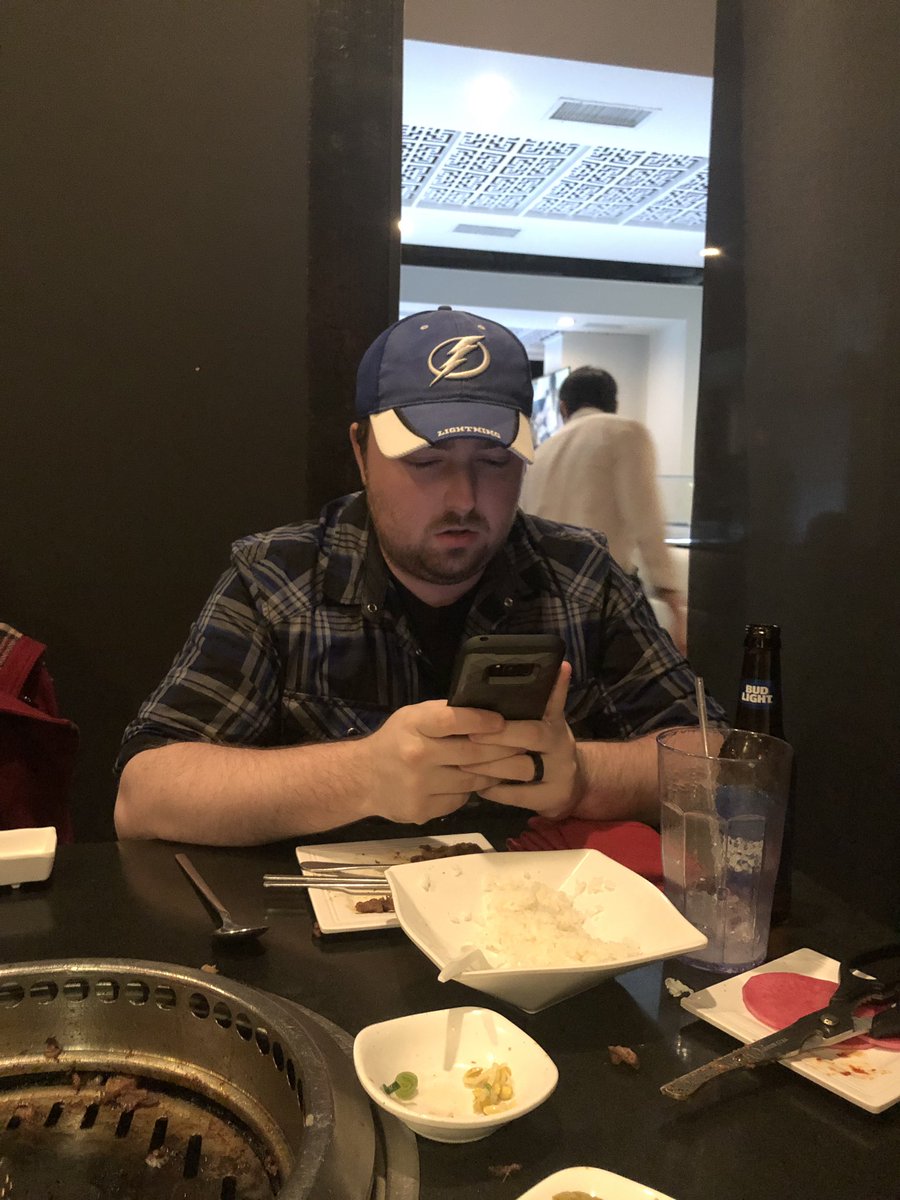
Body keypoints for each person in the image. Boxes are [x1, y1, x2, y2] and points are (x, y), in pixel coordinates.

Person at [114, 308, 720, 846]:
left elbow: (717, 759)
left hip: (538, 924)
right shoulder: (276, 578)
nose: (464, 499)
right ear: (361, 452)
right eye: (426, 461)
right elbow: (144, 795)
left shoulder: (582, 574)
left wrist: (582, 777)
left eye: (494, 461)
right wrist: (361, 776)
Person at [519, 366, 688, 653]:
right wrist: (674, 606)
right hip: (605, 596)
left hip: (544, 602)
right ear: (614, 403)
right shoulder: (626, 433)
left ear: (563, 407)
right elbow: (646, 521)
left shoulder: (541, 452)